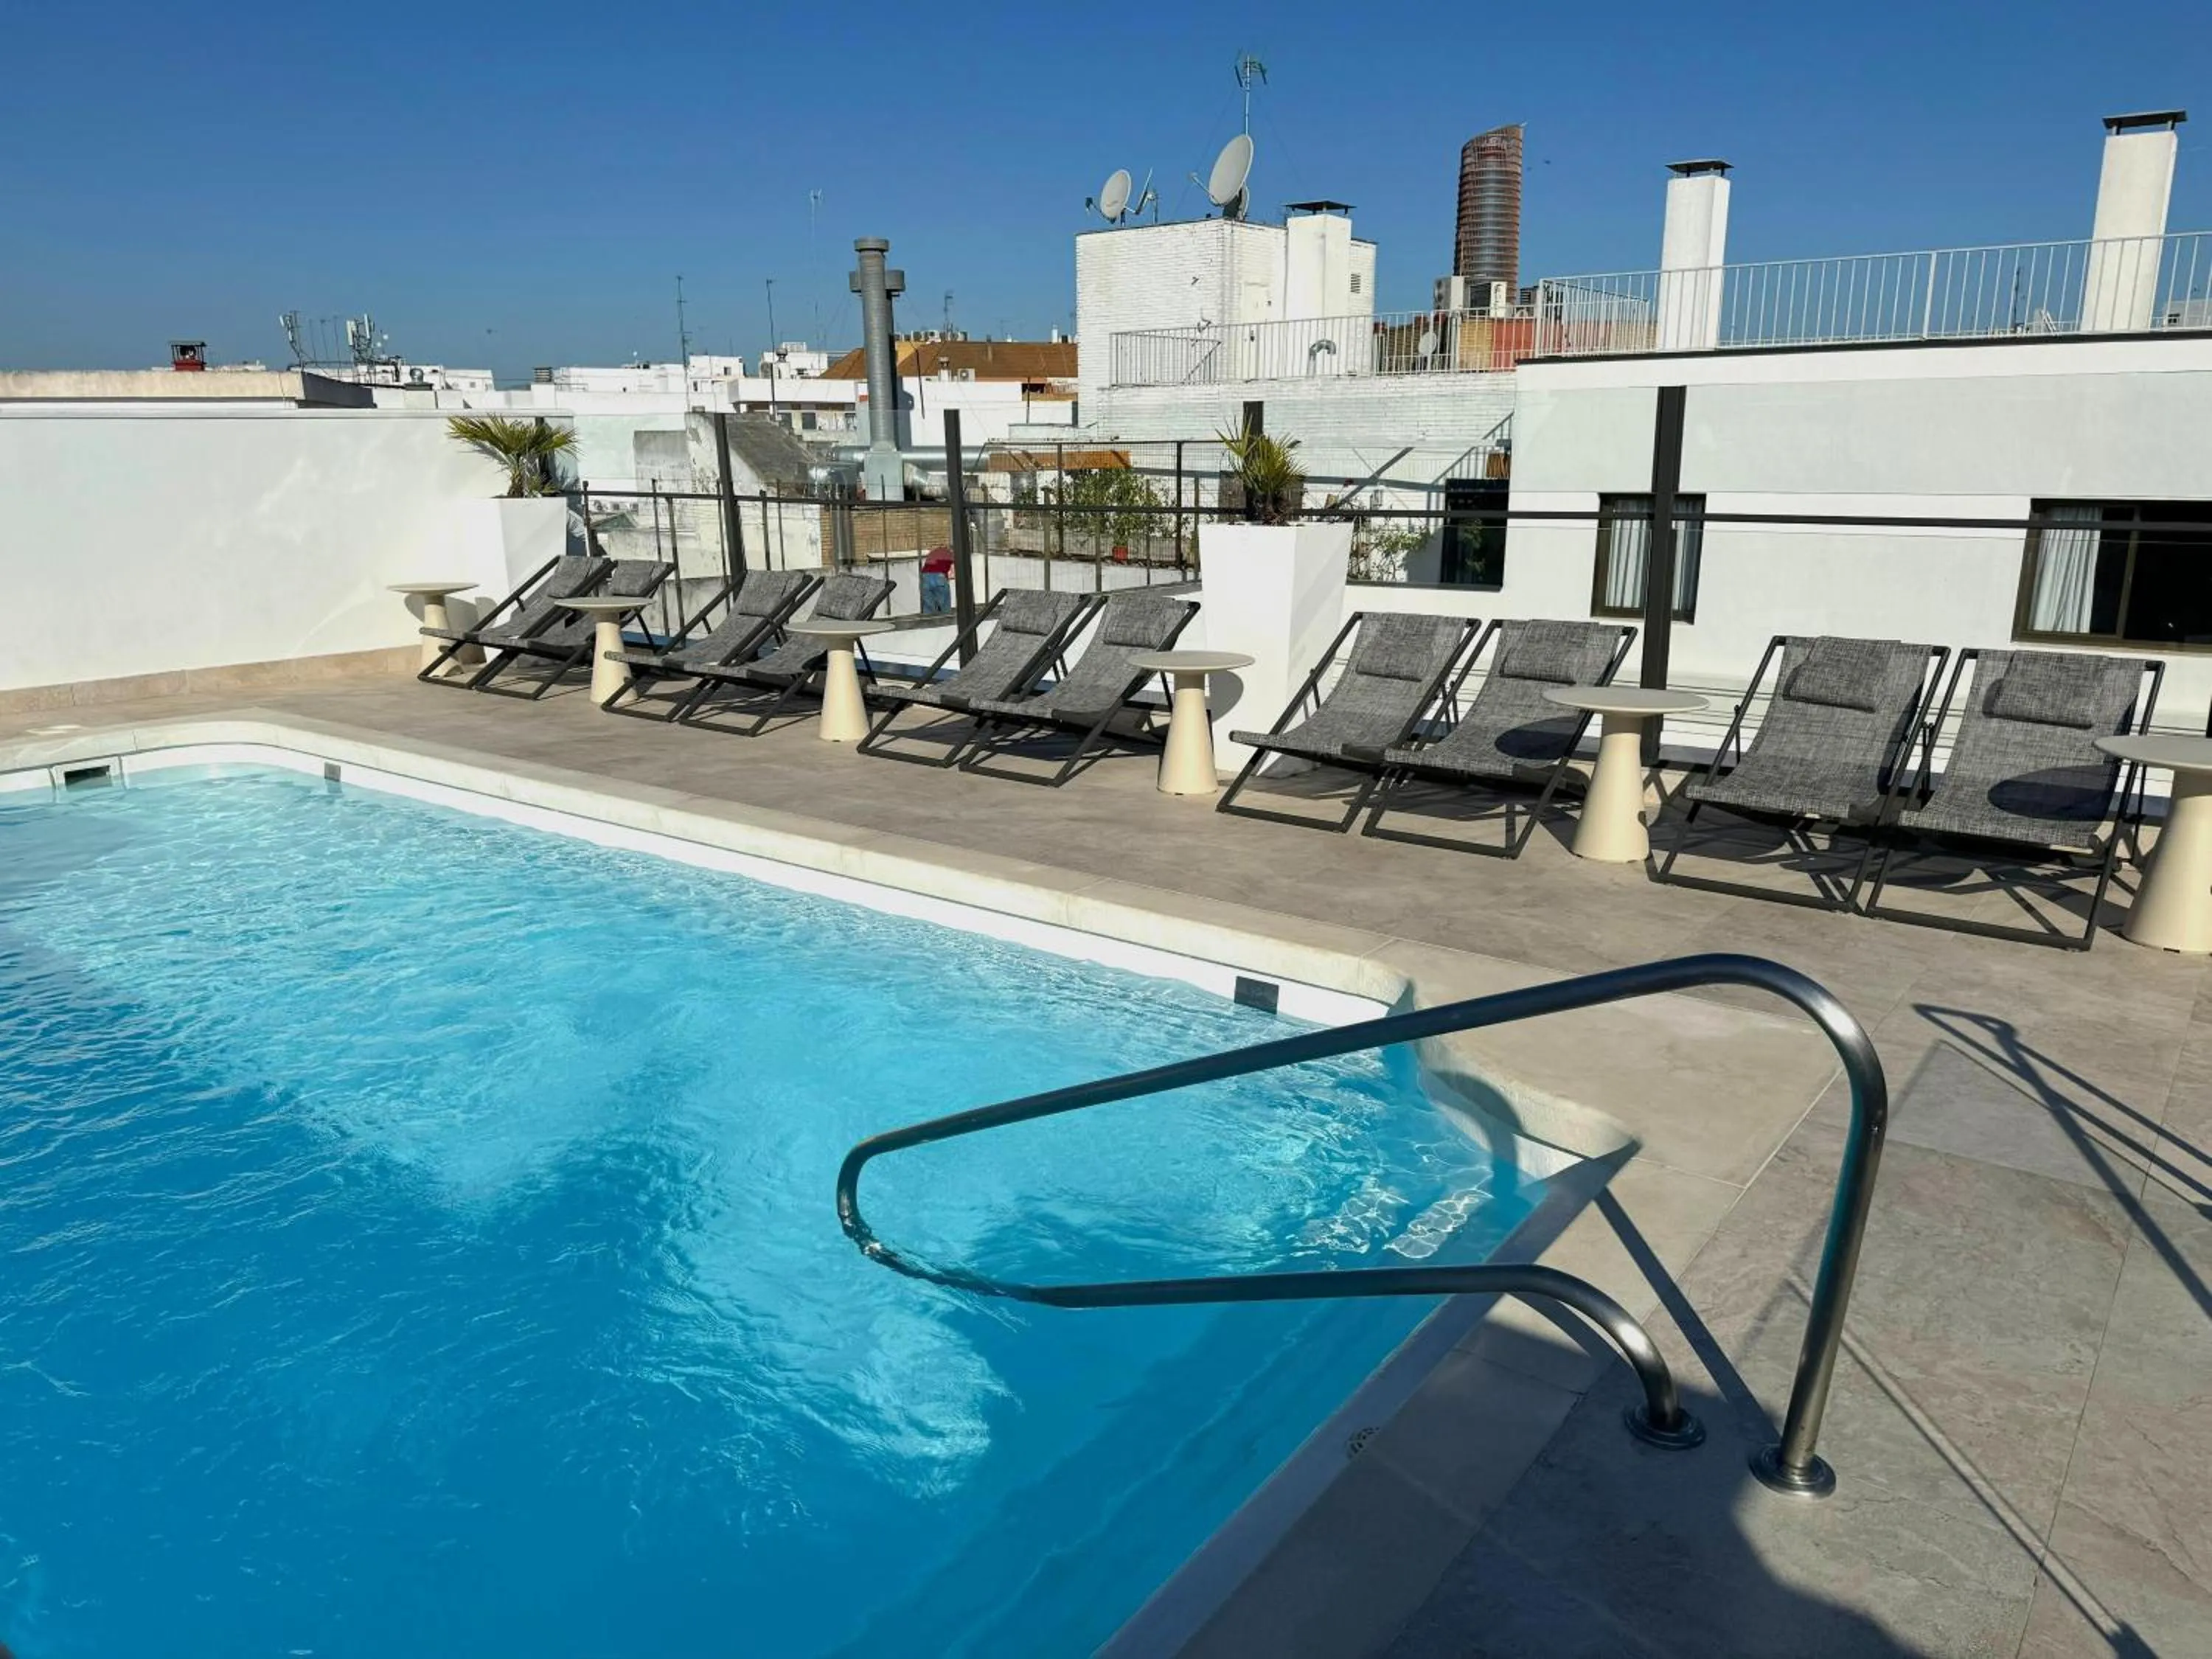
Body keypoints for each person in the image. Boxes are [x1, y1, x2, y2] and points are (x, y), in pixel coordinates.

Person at [920, 546, 954, 615]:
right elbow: (954, 572)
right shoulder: (950, 554)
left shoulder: (935, 551)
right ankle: (946, 622)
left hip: (925, 576)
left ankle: (929, 623)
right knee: (944, 606)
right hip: (939, 577)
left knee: (928, 607)